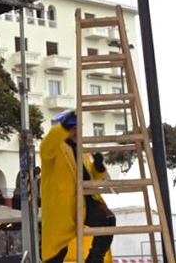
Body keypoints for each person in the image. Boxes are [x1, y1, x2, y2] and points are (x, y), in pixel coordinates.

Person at [40, 110, 115, 263]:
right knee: (56, 252)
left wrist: (99, 168)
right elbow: (45, 147)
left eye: (77, 128)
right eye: (72, 128)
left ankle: (95, 259)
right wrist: (62, 127)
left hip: (86, 202)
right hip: (63, 208)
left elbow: (89, 177)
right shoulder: (55, 147)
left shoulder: (81, 150)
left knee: (107, 219)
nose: (76, 131)